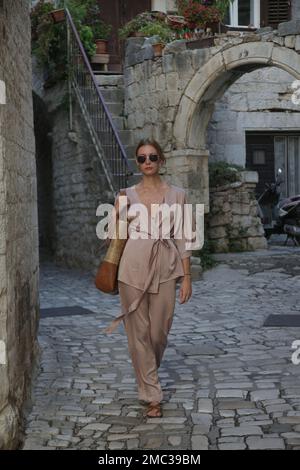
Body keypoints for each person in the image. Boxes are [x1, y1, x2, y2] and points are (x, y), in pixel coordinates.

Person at [104, 138, 193, 418]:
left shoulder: (178, 195)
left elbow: (184, 237)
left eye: (153, 157)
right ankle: (151, 394)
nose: (147, 163)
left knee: (159, 332)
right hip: (132, 266)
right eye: (142, 159)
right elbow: (111, 234)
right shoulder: (126, 194)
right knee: (137, 333)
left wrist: (187, 276)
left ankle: (147, 374)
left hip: (166, 266)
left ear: (162, 161)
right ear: (137, 162)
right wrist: (116, 216)